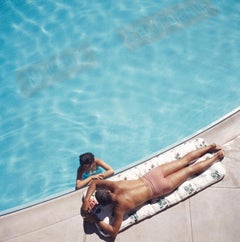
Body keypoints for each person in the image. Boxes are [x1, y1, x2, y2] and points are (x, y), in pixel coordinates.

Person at [81, 144, 224, 238]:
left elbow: (113, 233)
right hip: (152, 175)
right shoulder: (114, 185)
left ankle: (217, 156)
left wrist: (97, 221)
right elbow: (94, 183)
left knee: (190, 170)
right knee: (184, 161)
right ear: (106, 191)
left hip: (159, 188)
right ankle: (211, 147)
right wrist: (87, 199)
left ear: (106, 204)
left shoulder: (120, 208)